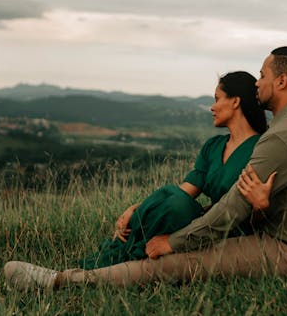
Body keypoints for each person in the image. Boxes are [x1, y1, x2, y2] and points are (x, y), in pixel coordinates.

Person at [4, 46, 287, 291]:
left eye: (262, 75)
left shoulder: (279, 138)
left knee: (175, 264)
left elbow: (232, 209)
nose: (257, 81)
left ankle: (62, 282)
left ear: (282, 82)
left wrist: (175, 241)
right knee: (175, 208)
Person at [78, 70, 267, 269]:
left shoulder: (261, 148)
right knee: (174, 198)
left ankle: (126, 254)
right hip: (203, 222)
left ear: (235, 102)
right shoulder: (213, 146)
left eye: (217, 99)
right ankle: (129, 248)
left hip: (229, 230)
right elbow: (183, 192)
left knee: (177, 204)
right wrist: (136, 208)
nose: (212, 107)